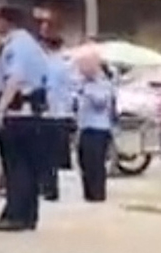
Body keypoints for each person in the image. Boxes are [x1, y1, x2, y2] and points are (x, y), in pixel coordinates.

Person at [0, 5, 52, 231]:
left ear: (6, 21)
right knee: (27, 167)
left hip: (18, 111)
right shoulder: (31, 45)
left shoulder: (17, 45)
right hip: (31, 112)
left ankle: (16, 214)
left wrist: (0, 109)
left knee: (16, 166)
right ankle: (27, 215)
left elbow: (15, 77)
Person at [73, 48, 116, 203]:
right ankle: (88, 193)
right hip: (85, 127)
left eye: (83, 67)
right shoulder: (83, 83)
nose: (80, 71)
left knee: (96, 163)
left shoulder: (103, 83)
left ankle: (97, 194)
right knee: (84, 161)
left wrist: (86, 91)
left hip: (99, 128)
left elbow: (101, 102)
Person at [41, 36, 75, 202]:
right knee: (61, 153)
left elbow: (47, 88)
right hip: (64, 114)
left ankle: (49, 188)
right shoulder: (68, 66)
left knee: (46, 155)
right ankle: (58, 188)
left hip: (48, 114)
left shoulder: (46, 65)